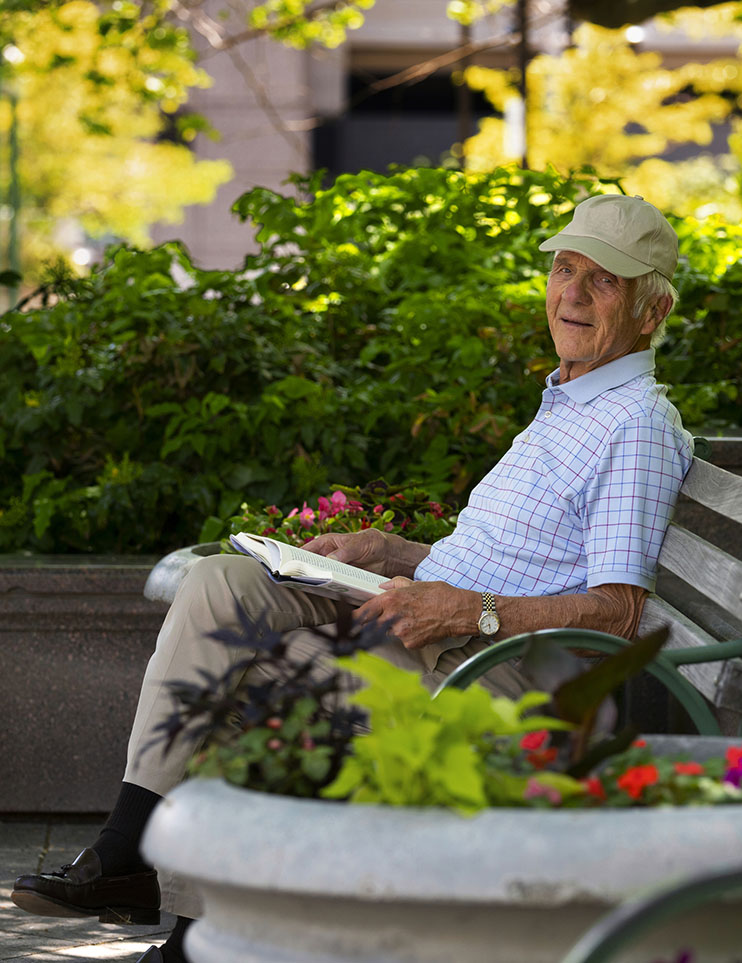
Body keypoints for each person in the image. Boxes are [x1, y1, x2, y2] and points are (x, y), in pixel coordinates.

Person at [11, 193, 694, 962]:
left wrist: (474, 610)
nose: (571, 293)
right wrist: (392, 550)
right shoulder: (571, 400)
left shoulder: (633, 424)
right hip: (438, 629)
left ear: (650, 309)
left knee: (246, 670)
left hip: (488, 677)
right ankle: (127, 854)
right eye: (565, 269)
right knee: (222, 584)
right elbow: (511, 555)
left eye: (603, 281)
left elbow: (618, 613)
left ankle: (194, 938)